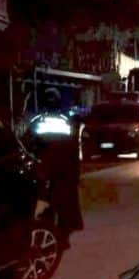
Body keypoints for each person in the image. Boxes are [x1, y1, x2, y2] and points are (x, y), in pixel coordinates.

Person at [25, 88, 84, 248]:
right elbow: (73, 146)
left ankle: (48, 236)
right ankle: (61, 237)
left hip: (45, 169)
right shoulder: (67, 120)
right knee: (64, 204)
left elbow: (28, 144)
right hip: (63, 169)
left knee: (45, 203)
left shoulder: (37, 120)